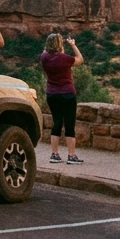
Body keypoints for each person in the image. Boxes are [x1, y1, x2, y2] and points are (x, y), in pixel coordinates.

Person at [41, 33, 84, 164]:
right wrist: (73, 45)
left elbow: (45, 51)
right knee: (69, 124)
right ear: (60, 44)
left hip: (52, 94)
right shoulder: (64, 58)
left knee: (57, 123)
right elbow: (80, 59)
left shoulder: (44, 57)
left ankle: (54, 154)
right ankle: (71, 155)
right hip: (67, 94)